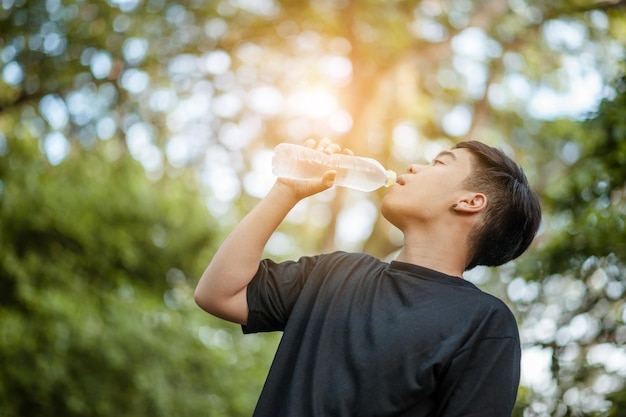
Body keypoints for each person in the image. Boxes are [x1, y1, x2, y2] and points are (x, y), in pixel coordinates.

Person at [194, 138, 542, 417]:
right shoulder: (338, 272)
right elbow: (218, 294)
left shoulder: (484, 323)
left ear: (470, 201)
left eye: (438, 163)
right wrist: (286, 190)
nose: (413, 167)